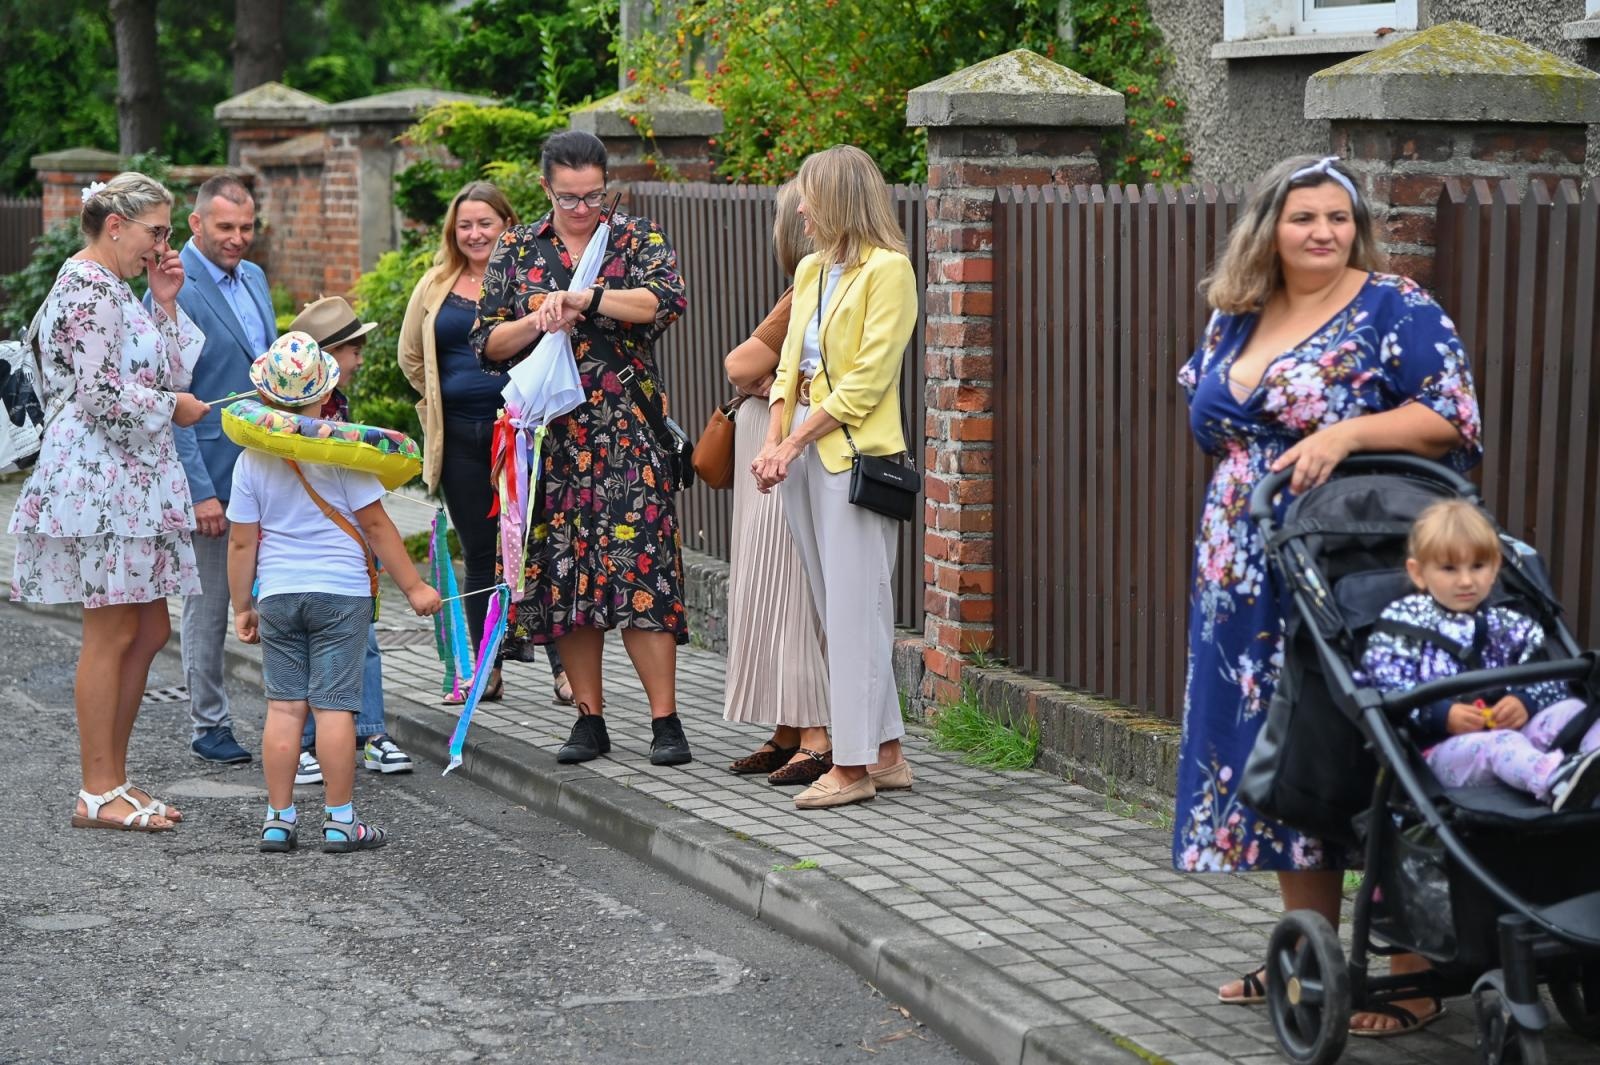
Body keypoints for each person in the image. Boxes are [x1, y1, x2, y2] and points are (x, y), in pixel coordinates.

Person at [1172, 154, 1481, 1036]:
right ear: (1268, 226)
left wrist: (1346, 432)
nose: (1322, 233)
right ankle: (1309, 951)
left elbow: (1452, 415)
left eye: (1337, 218)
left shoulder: (1395, 305)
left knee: (1369, 743)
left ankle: (1412, 964)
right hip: (1244, 564)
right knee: (1283, 748)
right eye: (1304, 217)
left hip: (1350, 560)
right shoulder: (1236, 313)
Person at [470, 130, 692, 767]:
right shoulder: (517, 250)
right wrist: (535, 320)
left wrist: (587, 299)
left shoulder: (636, 238)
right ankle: (589, 720)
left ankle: (666, 721)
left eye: (594, 195)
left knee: (644, 575)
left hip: (626, 434)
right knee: (566, 580)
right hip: (553, 444)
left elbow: (664, 303)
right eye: (569, 198)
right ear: (546, 189)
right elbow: (486, 343)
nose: (582, 208)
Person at [10, 172, 209, 831]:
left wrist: (166, 302)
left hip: (131, 475)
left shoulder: (118, 289)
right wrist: (171, 409)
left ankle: (115, 780)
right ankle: (97, 789)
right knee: (113, 628)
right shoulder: (87, 288)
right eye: (158, 231)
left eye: (168, 232)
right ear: (115, 225)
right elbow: (100, 397)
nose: (164, 244)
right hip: (101, 480)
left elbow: (166, 372)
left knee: (148, 628)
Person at [226, 332, 441, 853]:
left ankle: (278, 820)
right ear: (326, 396)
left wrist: (242, 606)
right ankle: (341, 821)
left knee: (283, 710)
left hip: (277, 594)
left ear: (268, 399)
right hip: (342, 596)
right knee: (335, 710)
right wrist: (413, 587)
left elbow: (240, 542)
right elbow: (378, 526)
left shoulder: (251, 460)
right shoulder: (348, 453)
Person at [751, 145, 919, 810]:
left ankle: (851, 767)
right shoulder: (814, 269)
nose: (800, 208)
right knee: (842, 613)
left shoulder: (890, 271)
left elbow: (866, 381)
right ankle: (889, 753)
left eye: (810, 196)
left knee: (857, 616)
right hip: (800, 460)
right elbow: (788, 366)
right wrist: (772, 442)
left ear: (842, 201)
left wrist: (789, 442)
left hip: (852, 461)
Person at [397, 181, 571, 710]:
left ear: (507, 226)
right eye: (465, 225)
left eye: (485, 224)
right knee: (478, 552)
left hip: (522, 436)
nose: (474, 234)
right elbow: (410, 357)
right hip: (461, 440)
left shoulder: (533, 280)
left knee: (539, 549)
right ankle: (486, 670)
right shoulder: (434, 285)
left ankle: (566, 674)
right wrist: (437, 403)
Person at [1360, 500, 1600, 811]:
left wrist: (1525, 702)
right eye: (1449, 568)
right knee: (1502, 744)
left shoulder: (1509, 624)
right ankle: (1556, 783)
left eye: (1477, 566)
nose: (1466, 581)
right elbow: (1386, 690)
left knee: (1574, 708)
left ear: (1495, 568)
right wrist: (1441, 714)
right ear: (1418, 573)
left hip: (1516, 738)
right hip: (1443, 754)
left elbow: (1550, 676)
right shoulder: (1402, 625)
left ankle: (1592, 769)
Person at [722, 182, 833, 786]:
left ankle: (814, 732)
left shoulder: (809, 289)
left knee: (788, 588)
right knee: (769, 585)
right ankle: (788, 729)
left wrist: (770, 387)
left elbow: (740, 365)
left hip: (787, 446)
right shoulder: (808, 287)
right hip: (775, 443)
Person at [170, 172, 277, 765]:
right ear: (196, 224)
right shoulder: (174, 289)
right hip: (211, 471)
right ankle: (208, 723)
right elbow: (172, 399)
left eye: (246, 227)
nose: (238, 238)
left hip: (267, 462)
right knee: (210, 605)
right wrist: (200, 492)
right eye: (225, 227)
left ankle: (296, 719)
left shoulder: (255, 276)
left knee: (278, 595)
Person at [285, 296, 414, 784]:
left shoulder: (342, 408)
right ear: (326, 357)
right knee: (298, 654)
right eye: (352, 349)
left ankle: (373, 733)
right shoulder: (287, 425)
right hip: (303, 559)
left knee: (367, 643)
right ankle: (302, 744)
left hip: (347, 556)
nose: (360, 358)